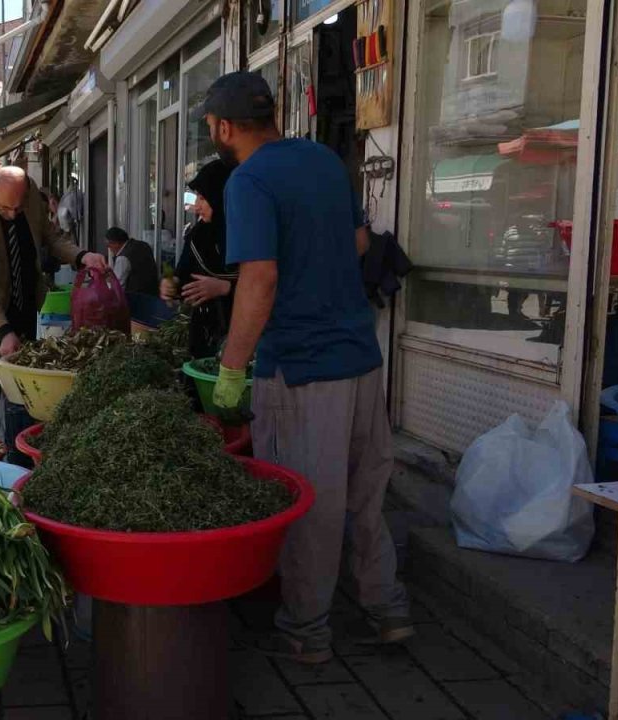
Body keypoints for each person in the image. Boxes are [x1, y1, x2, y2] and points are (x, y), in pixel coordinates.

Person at [204, 71, 409, 663]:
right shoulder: (323, 160)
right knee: (365, 496)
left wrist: (232, 368)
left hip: (302, 368)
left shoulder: (248, 180)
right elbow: (360, 244)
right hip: (361, 359)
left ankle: (305, 631)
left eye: (212, 126)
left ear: (224, 127)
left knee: (308, 504)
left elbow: (260, 279)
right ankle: (388, 610)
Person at [0, 166, 106, 463]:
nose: (12, 214)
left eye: (17, 208)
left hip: (23, 310)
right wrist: (3, 332)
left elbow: (53, 238)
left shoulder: (30, 198)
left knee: (22, 397)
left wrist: (82, 256)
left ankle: (19, 460)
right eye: (5, 208)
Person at [162, 159, 238, 359]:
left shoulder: (249, 237)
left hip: (243, 337)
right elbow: (183, 274)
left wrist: (226, 288)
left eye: (203, 198)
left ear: (222, 198)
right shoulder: (199, 235)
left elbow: (268, 285)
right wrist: (171, 284)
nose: (196, 207)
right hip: (206, 334)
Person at [105, 226, 159, 296]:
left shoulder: (123, 258)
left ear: (116, 243)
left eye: (108, 245)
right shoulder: (144, 245)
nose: (109, 248)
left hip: (136, 298)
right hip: (153, 294)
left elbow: (118, 286)